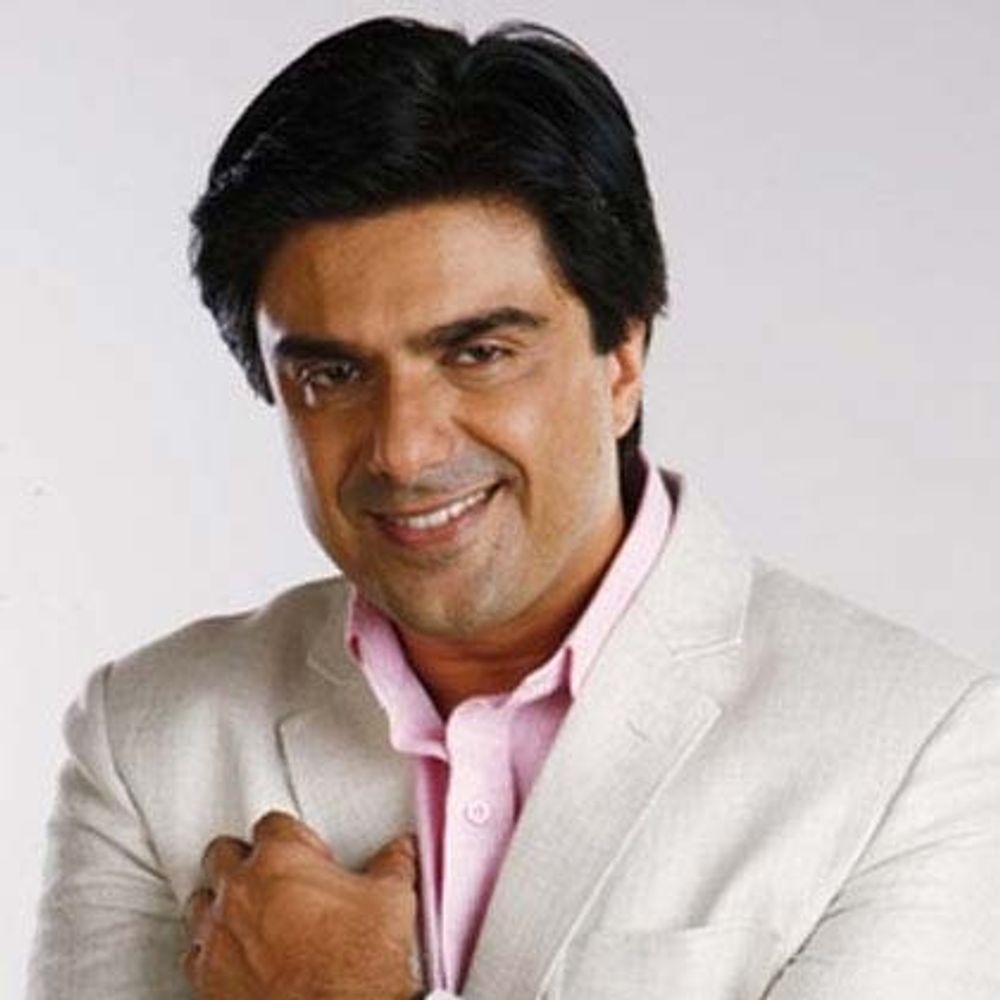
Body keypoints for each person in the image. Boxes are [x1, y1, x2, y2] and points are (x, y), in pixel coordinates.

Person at [28, 16, 1000, 1000]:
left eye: (478, 354)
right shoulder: (150, 736)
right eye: (332, 374)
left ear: (623, 358)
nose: (405, 449)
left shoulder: (918, 749)